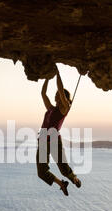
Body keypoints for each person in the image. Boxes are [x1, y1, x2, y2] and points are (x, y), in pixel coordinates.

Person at [36, 68, 82, 196]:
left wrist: (57, 74)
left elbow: (61, 90)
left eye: (58, 94)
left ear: (63, 98)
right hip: (43, 140)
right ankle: (61, 184)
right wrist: (47, 77)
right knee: (41, 172)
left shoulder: (64, 109)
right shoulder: (51, 108)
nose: (56, 94)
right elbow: (43, 93)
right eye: (56, 93)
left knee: (63, 167)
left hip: (54, 140)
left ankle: (74, 179)